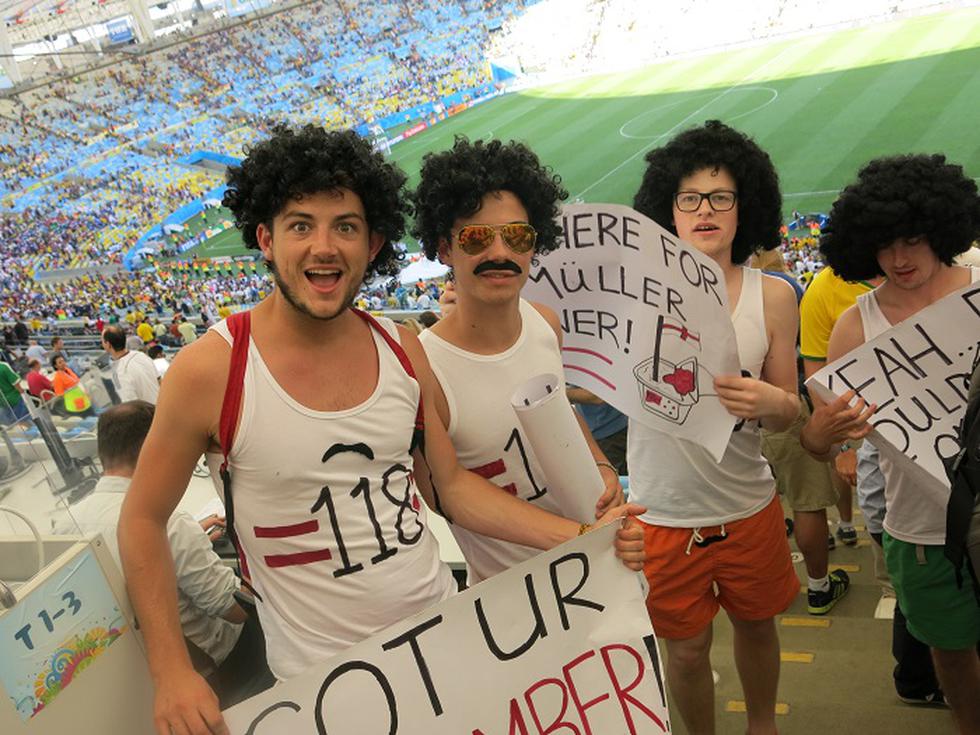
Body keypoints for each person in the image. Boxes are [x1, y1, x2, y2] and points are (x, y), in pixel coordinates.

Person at [117, 125, 644, 735]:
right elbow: (142, 519)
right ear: (265, 238)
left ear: (373, 244)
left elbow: (450, 486)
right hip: (323, 686)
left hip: (447, 641)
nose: (323, 247)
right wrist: (172, 670)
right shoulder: (212, 371)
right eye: (300, 225)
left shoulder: (402, 350)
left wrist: (580, 537)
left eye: (345, 226)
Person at [629, 120, 802, 735]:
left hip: (748, 502)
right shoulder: (634, 296)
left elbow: (792, 409)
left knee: (758, 627)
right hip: (662, 510)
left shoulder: (773, 296)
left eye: (721, 197)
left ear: (743, 206)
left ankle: (762, 725)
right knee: (684, 651)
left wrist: (770, 400)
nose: (705, 211)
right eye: (690, 198)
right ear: (668, 210)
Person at [801, 153, 980, 732]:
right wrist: (824, 435)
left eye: (913, 239)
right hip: (920, 528)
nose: (900, 259)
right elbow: (821, 442)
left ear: (941, 228)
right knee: (950, 651)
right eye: (884, 245)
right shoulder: (855, 326)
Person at [411, 137, 624, 584]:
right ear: (444, 249)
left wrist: (602, 468)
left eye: (517, 236)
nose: (500, 254)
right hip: (512, 598)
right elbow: (445, 494)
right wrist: (576, 536)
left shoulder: (545, 324)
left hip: (598, 569)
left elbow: (561, 412)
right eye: (476, 238)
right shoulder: (423, 369)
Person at [55, 401, 274, 708]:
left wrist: (190, 541)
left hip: (143, 670)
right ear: (152, 448)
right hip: (218, 667)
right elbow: (233, 608)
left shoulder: (65, 524)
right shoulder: (171, 524)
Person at [102, 325, 160, 404]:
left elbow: (130, 405)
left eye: (102, 341)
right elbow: (159, 380)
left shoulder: (119, 372)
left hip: (148, 411)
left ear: (108, 344)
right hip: (160, 405)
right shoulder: (141, 355)